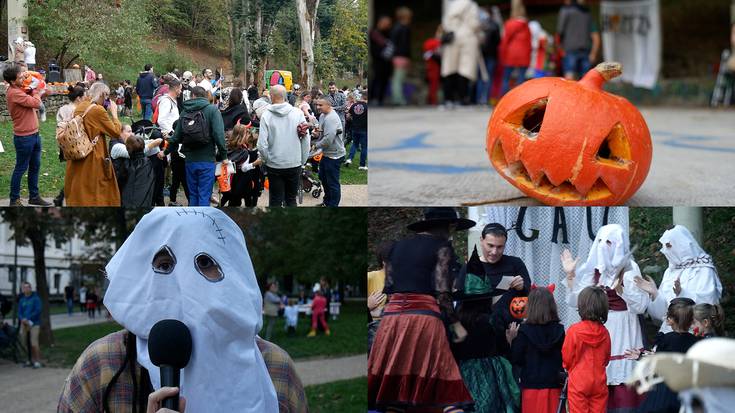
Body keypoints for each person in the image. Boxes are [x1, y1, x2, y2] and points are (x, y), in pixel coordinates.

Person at [57, 208, 307, 412]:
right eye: (164, 264)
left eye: (205, 262)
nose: (185, 282)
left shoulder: (275, 368)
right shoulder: (103, 364)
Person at [368, 208, 476, 412]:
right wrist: (457, 325)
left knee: (395, 396)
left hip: (391, 322)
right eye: (453, 228)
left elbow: (390, 288)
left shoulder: (395, 247)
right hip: (423, 320)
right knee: (448, 390)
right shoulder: (443, 248)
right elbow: (443, 295)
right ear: (449, 226)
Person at [562, 224, 649, 412]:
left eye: (609, 242)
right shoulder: (594, 268)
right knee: (597, 376)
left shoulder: (630, 268)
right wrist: (570, 275)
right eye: (600, 241)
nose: (603, 246)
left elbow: (641, 306)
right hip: (598, 326)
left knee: (622, 384)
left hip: (624, 328)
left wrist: (622, 290)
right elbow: (576, 300)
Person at [451, 250, 521, 412]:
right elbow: (502, 350)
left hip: (461, 375)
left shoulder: (455, 322)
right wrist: (509, 341)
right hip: (489, 375)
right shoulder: (492, 320)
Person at [635, 225, 723, 334]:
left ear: (682, 245)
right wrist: (655, 293)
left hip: (695, 333)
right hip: (670, 333)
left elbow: (709, 304)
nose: (665, 251)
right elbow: (663, 314)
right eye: (664, 246)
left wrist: (682, 293)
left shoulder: (704, 270)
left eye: (669, 246)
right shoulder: (670, 271)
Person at [624, 298, 698, 413]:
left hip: (665, 390)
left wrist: (641, 357)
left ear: (669, 320)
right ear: (692, 321)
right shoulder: (696, 341)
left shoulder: (666, 339)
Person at [164, 86, 228, 206]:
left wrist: (165, 152)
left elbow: (176, 137)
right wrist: (224, 156)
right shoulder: (212, 110)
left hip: (190, 161)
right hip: (207, 160)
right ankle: (202, 222)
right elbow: (219, 135)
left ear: (192, 96)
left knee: (193, 195)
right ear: (205, 96)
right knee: (204, 195)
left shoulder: (185, 112)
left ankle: (193, 221)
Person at [63, 82, 122, 206]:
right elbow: (116, 132)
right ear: (101, 94)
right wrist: (115, 115)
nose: (106, 100)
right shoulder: (98, 110)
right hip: (93, 156)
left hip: (79, 152)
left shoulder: (81, 106)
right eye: (105, 97)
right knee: (95, 191)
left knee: (81, 189)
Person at [508, 286, 565, 413]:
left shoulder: (523, 331)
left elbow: (517, 359)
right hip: (554, 386)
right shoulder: (560, 330)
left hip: (531, 387)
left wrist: (511, 342)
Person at [4, 64, 51, 206]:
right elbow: (36, 103)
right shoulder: (14, 93)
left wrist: (42, 90)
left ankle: (34, 196)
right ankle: (14, 200)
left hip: (34, 135)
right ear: (12, 81)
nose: (23, 77)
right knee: (20, 168)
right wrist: (37, 91)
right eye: (20, 76)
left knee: (35, 166)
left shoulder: (20, 89)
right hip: (24, 138)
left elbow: (38, 96)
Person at [257, 84, 310, 207]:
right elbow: (305, 139)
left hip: (274, 164)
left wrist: (266, 159)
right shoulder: (298, 114)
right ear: (285, 96)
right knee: (291, 199)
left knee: (275, 199)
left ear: (271, 96)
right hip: (294, 163)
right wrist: (302, 160)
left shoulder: (266, 115)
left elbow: (262, 144)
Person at [562, 286, 611, 413]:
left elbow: (567, 359)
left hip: (579, 381)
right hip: (599, 381)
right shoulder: (605, 332)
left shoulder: (574, 330)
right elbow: (606, 359)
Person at [441, 0, 483, 107]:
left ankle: (448, 98)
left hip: (453, 37)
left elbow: (445, 22)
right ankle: (462, 98)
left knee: (449, 69)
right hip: (468, 37)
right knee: (465, 70)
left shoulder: (452, 5)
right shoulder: (472, 5)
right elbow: (474, 23)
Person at [53, 83, 86, 207]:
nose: (85, 99)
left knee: (71, 171)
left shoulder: (63, 109)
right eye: (83, 96)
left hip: (64, 145)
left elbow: (59, 124)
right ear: (78, 98)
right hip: (76, 145)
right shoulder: (77, 110)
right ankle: (70, 197)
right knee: (77, 173)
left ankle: (61, 196)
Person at [313, 98, 345, 207]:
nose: (318, 107)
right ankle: (327, 202)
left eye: (320, 105)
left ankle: (333, 205)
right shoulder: (323, 116)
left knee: (332, 183)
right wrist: (316, 133)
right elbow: (322, 133)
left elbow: (328, 140)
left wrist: (315, 145)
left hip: (334, 155)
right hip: (327, 154)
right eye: (317, 105)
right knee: (324, 179)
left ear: (328, 105)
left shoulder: (331, 118)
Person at [557, 0, 600, 80]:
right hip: (585, 50)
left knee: (569, 79)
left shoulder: (566, 11)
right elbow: (595, 36)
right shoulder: (587, 13)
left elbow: (560, 31)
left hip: (570, 49)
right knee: (585, 80)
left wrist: (560, 48)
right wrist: (593, 53)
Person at [499, 0, 532, 96]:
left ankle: (503, 99)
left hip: (510, 54)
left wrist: (502, 55)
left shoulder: (509, 24)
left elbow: (504, 42)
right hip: (524, 54)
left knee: (506, 78)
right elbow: (529, 42)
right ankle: (519, 99)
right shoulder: (526, 25)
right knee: (521, 79)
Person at [477, 6, 501, 105]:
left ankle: (478, 99)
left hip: (481, 55)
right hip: (491, 55)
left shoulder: (480, 25)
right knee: (489, 77)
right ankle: (485, 99)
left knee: (480, 77)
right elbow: (498, 41)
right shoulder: (495, 25)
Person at [368, 15, 394, 106]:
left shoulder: (388, 33)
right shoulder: (374, 33)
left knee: (385, 80)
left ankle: (380, 99)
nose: (388, 26)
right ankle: (373, 98)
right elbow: (373, 48)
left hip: (387, 61)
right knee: (376, 79)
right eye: (386, 24)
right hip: (378, 60)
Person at [390, 7, 412, 106]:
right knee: (398, 79)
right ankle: (398, 99)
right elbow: (404, 45)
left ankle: (398, 98)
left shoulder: (397, 27)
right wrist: (407, 57)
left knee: (399, 78)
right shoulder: (402, 28)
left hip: (399, 56)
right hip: (401, 56)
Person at [18, 282, 42, 368]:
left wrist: (28, 318)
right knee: (24, 341)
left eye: (27, 287)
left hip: (34, 324)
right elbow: (19, 312)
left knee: (34, 343)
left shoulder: (36, 299)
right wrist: (22, 319)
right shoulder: (22, 300)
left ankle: (37, 361)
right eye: (24, 288)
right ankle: (29, 360)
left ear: (30, 288)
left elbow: (38, 310)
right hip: (24, 323)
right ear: (22, 289)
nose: (26, 289)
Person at [345, 95, 367, 170]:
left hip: (354, 128)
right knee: (364, 147)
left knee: (354, 144)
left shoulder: (354, 105)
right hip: (364, 129)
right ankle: (362, 165)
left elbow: (348, 116)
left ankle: (349, 159)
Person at [423, 25, 443, 105]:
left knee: (438, 85)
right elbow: (426, 55)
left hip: (441, 67)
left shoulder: (445, 42)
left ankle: (436, 100)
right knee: (433, 85)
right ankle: (432, 101)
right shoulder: (430, 42)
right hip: (433, 66)